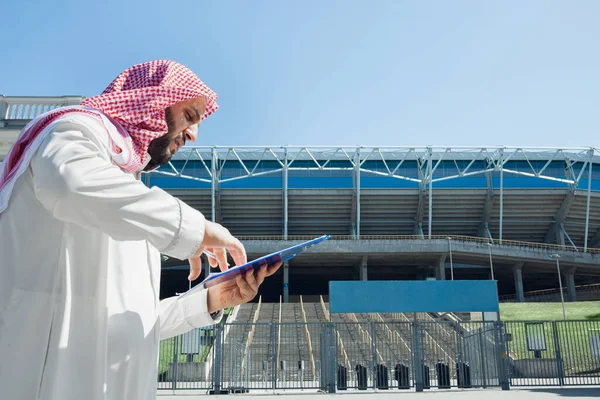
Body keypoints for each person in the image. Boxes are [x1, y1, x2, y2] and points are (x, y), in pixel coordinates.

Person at [0, 60, 281, 400]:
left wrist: (210, 299)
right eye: (190, 116)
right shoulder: (74, 129)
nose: (193, 135)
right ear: (153, 101)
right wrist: (193, 226)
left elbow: (129, 323)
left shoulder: (125, 192)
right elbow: (67, 184)